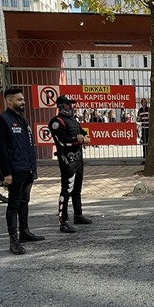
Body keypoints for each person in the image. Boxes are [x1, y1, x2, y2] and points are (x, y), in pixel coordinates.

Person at [0, 88, 44, 255]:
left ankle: (25, 232)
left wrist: (33, 167)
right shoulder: (1, 120)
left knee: (24, 201)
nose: (23, 102)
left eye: (23, 99)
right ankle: (13, 239)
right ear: (9, 101)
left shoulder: (23, 119)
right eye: (19, 99)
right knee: (13, 204)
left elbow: (28, 145)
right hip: (14, 170)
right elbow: (0, 149)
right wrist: (6, 173)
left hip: (27, 168)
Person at [48, 95, 93, 233]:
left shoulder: (73, 120)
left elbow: (82, 133)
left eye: (71, 104)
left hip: (78, 159)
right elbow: (62, 142)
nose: (70, 107)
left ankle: (78, 215)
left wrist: (85, 138)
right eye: (68, 105)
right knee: (66, 190)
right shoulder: (56, 122)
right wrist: (77, 140)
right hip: (67, 160)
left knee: (77, 189)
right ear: (61, 106)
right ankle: (63, 221)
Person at [137, 98, 150, 163]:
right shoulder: (140, 110)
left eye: (145, 102)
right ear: (141, 103)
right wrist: (140, 119)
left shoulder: (149, 109)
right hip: (144, 128)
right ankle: (145, 158)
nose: (145, 103)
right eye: (143, 102)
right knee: (144, 143)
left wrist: (149, 117)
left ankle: (150, 158)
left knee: (149, 143)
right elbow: (138, 119)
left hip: (149, 128)